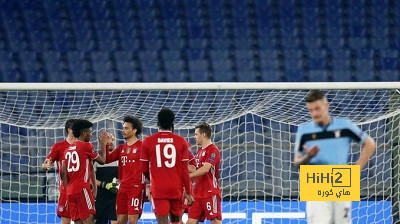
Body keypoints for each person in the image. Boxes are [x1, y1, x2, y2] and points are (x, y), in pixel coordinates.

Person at [293, 90, 376, 224]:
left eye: (317, 109)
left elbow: (370, 143)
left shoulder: (344, 125)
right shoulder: (304, 130)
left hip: (341, 180)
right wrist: (307, 156)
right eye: (310, 110)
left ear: (327, 106)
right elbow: (297, 162)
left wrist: (356, 170)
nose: (314, 114)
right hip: (316, 181)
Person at [140, 108, 194, 224]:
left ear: (157, 124)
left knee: (163, 221)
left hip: (159, 189)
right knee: (176, 221)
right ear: (172, 124)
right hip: (176, 188)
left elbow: (143, 169)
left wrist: (154, 179)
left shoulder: (148, 141)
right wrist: (188, 192)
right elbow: (185, 170)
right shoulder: (181, 141)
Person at [101, 115, 145, 224]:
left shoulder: (143, 146)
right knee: (120, 220)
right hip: (123, 188)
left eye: (126, 128)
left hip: (136, 187)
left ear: (134, 130)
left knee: (133, 219)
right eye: (123, 128)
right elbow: (106, 160)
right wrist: (105, 145)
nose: (123, 131)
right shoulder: (121, 148)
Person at [61, 119, 107, 224]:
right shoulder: (87, 146)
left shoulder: (67, 150)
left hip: (70, 191)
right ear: (84, 133)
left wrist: (68, 190)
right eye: (90, 132)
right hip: (82, 189)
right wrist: (103, 144)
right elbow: (102, 161)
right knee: (89, 220)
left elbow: (63, 173)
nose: (91, 135)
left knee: (78, 221)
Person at [41, 118, 78, 224]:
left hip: (81, 188)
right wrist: (45, 165)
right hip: (65, 189)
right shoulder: (58, 147)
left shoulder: (83, 146)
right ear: (70, 130)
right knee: (66, 220)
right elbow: (45, 164)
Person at [187, 122, 222, 224]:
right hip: (197, 194)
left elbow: (205, 169)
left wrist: (188, 176)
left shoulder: (213, 150)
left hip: (210, 192)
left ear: (203, 135)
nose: (194, 137)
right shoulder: (199, 152)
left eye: (196, 134)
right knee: (190, 222)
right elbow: (196, 169)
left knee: (215, 221)